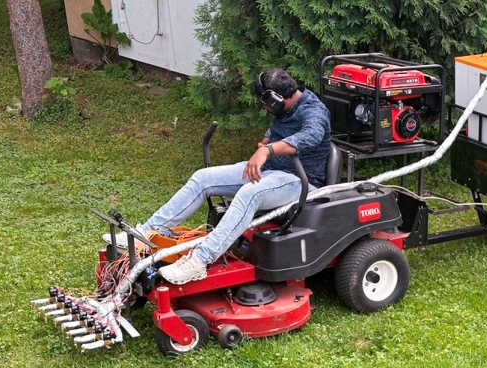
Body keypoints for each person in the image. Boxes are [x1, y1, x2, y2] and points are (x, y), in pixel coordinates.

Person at [105, 67, 331, 285]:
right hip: (270, 171)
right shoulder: (283, 109)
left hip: (300, 181)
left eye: (266, 105)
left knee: (249, 194)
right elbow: (274, 131)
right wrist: (264, 142)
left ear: (275, 100)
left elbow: (310, 136)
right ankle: (147, 233)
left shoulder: (313, 111)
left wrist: (267, 150)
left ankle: (199, 261)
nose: (265, 110)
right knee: (203, 177)